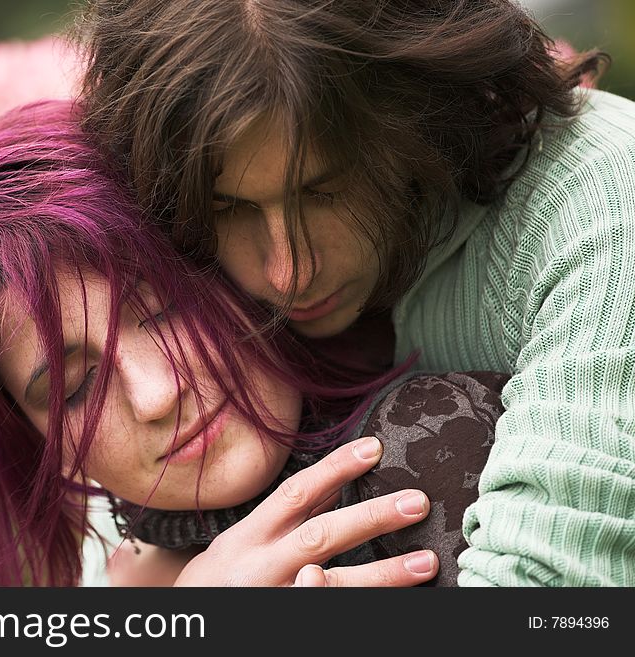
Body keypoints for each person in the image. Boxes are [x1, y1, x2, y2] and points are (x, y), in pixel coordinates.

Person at [76, 0, 635, 586]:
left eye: (323, 191)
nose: (288, 272)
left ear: (420, 118)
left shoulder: (602, 212)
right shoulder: (187, 261)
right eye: (228, 209)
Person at [0, 98, 506, 586]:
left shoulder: (425, 449)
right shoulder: (124, 569)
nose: (156, 394)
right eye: (76, 386)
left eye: (165, 309)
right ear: (43, 443)